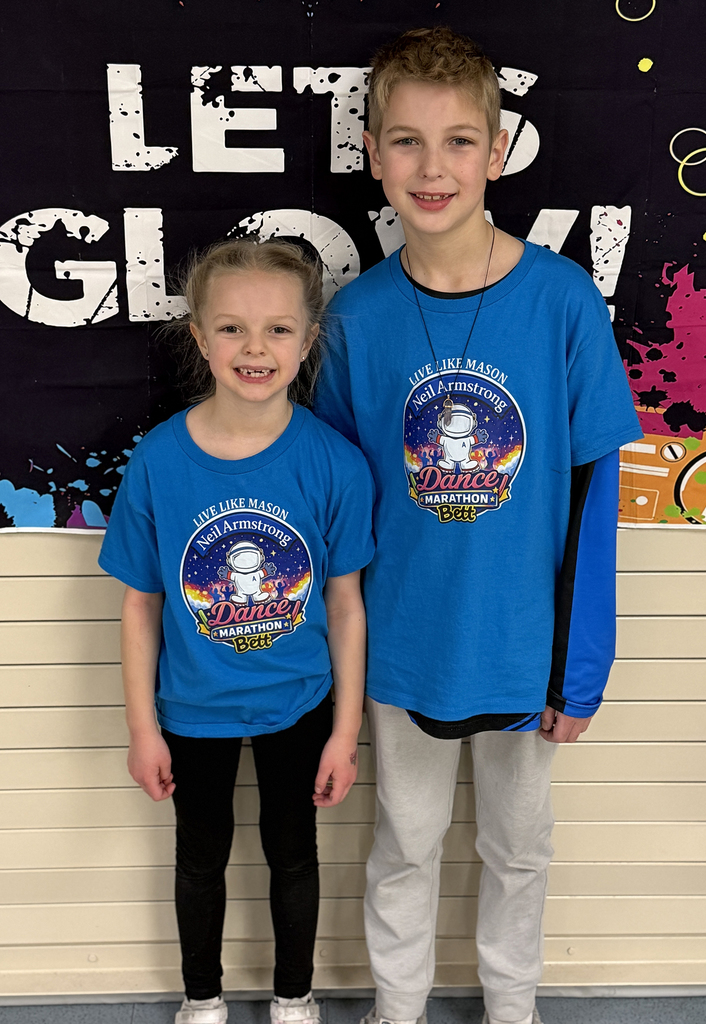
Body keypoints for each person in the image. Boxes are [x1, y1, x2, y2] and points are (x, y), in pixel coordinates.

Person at [313, 26, 641, 1024]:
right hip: (402, 648)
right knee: (404, 844)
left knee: (518, 846)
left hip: (523, 648)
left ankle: (512, 1004)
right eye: (405, 141)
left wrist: (580, 666)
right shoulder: (357, 316)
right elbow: (335, 505)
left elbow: (596, 500)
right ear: (372, 154)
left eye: (459, 141)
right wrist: (337, 664)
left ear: (497, 153)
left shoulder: (562, 302)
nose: (432, 166)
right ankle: (397, 1005)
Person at [98, 239, 375, 1024]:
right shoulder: (158, 463)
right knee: (200, 860)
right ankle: (203, 999)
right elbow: (140, 604)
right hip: (192, 708)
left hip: (300, 703)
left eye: (279, 330)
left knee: (293, 855)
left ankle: (295, 997)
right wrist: (142, 729)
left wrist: (345, 733)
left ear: (308, 340)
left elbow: (348, 605)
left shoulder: (335, 464)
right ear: (197, 336)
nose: (255, 349)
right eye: (232, 329)